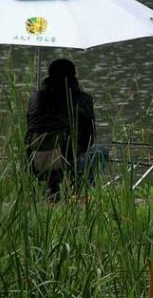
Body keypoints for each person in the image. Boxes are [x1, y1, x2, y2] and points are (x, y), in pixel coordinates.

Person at [25, 59, 104, 200]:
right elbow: (89, 138)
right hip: (65, 163)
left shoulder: (34, 98)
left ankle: (53, 190)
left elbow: (31, 128)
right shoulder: (83, 99)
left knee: (60, 146)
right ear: (73, 76)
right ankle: (84, 194)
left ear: (49, 75)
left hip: (34, 162)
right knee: (99, 152)